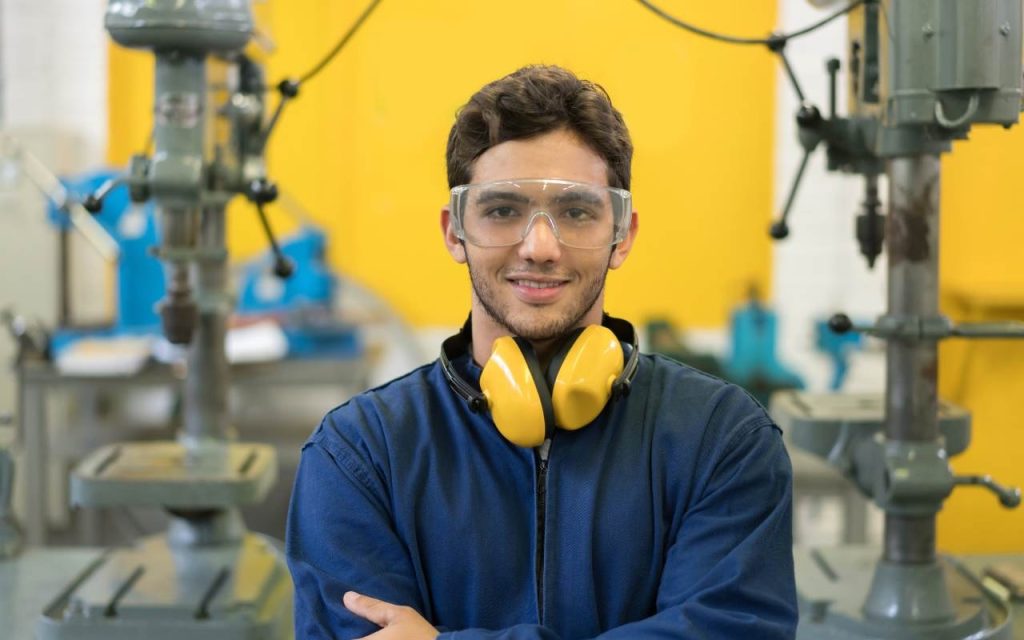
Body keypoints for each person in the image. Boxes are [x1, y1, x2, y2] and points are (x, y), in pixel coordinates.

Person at [285, 64, 797, 639]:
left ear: (621, 235)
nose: (540, 247)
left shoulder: (720, 438)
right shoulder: (360, 455)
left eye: (577, 212)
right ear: (455, 231)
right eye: (503, 210)